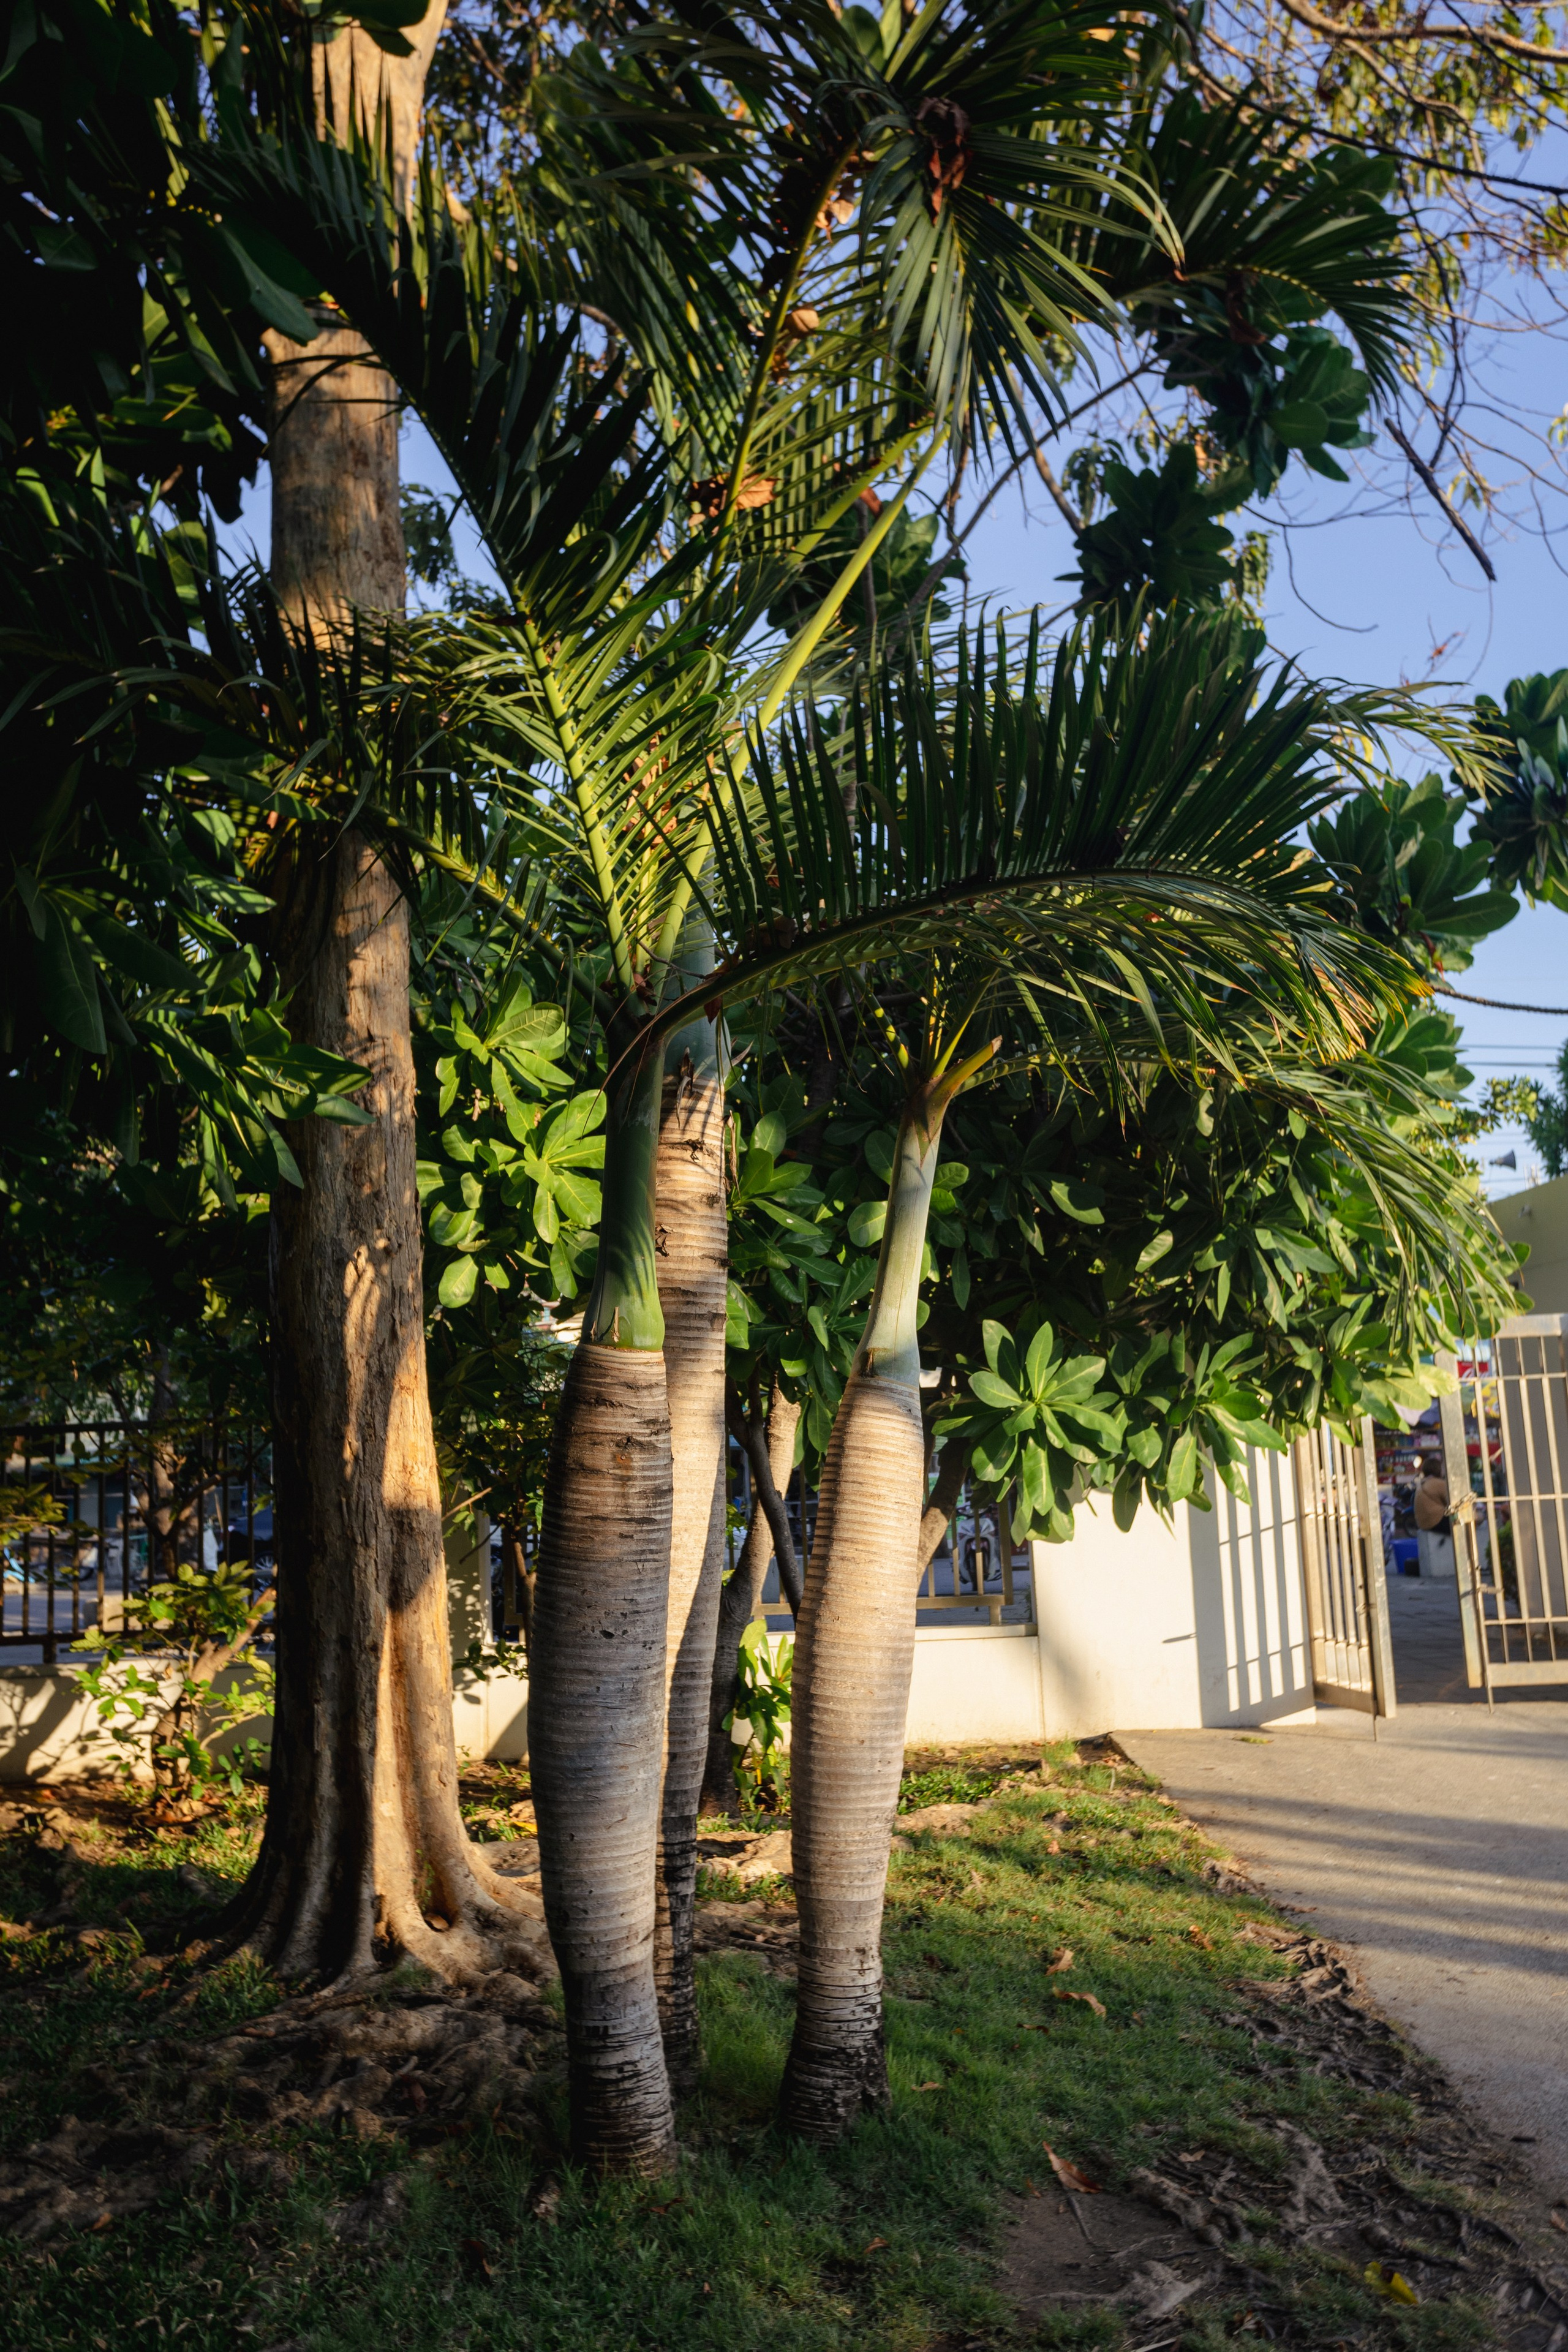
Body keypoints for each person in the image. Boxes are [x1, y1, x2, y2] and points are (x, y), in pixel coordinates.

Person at [1412, 1454, 1450, 1536]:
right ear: (1439, 1469)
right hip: (1436, 1522)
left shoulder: (1422, 1483)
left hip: (1422, 1524)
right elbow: (1452, 1502)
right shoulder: (1438, 1483)